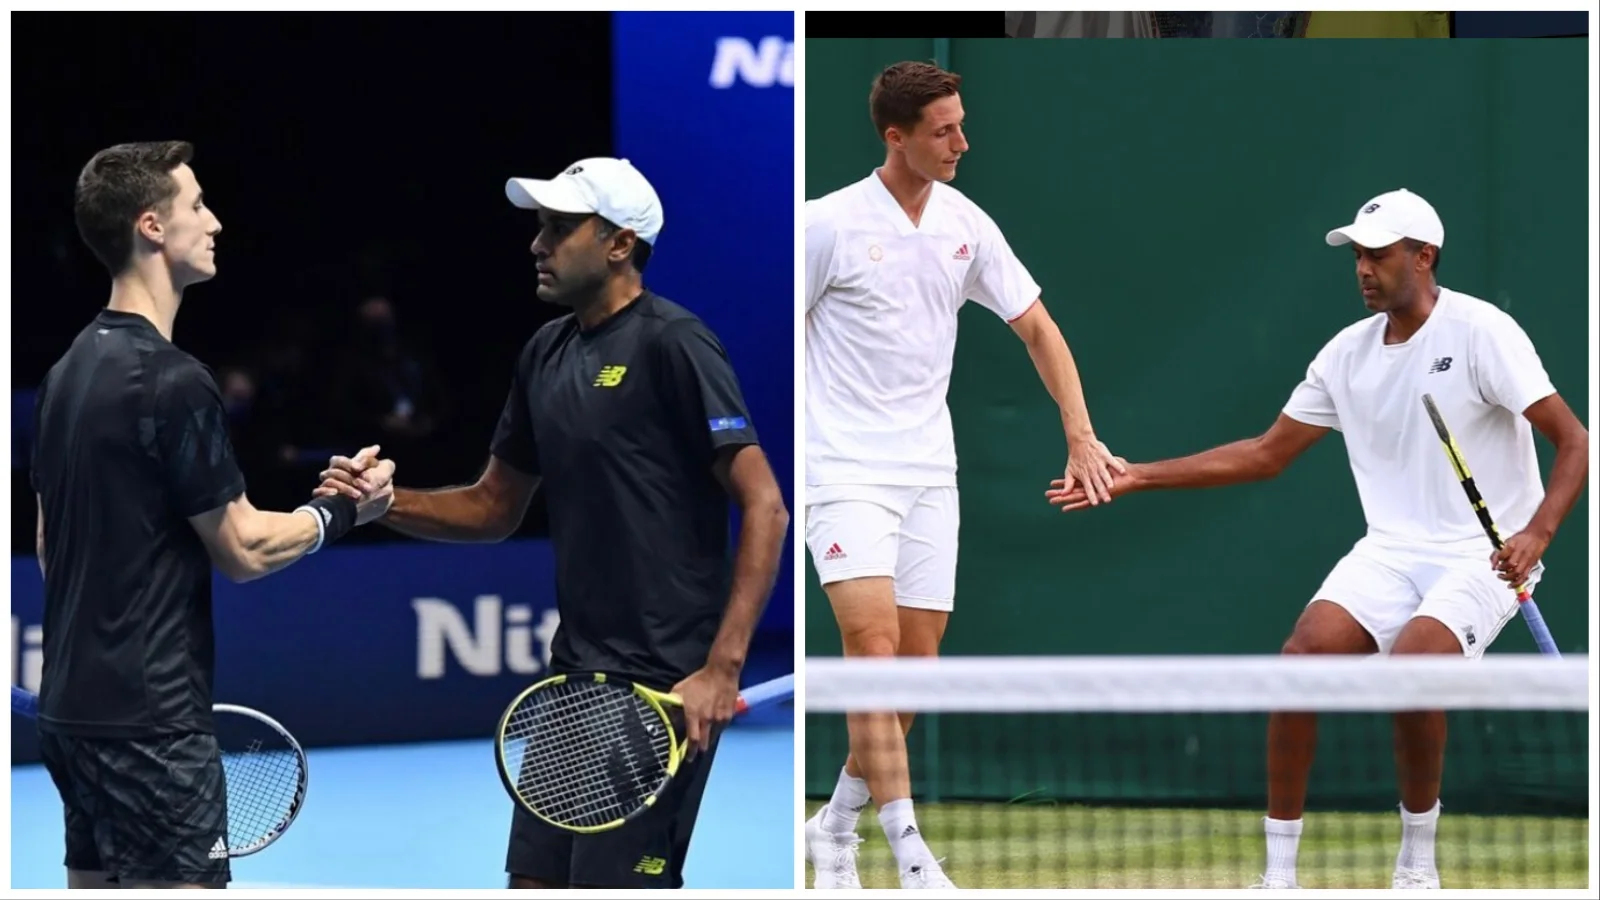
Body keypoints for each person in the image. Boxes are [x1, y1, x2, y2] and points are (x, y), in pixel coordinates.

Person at [1046, 188, 1590, 889]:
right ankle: (1279, 878)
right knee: (1299, 663)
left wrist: (1536, 532)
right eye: (1358, 256)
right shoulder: (1345, 354)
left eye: (1380, 255)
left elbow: (1574, 440)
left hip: (1482, 556)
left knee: (1416, 671)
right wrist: (1138, 476)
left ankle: (1417, 866)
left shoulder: (1483, 332)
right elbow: (1267, 453)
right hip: (1389, 550)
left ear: (1424, 258)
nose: (1364, 269)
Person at [317, 156, 791, 891]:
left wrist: (722, 668)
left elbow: (765, 505)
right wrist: (381, 503)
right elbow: (492, 507)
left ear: (619, 243)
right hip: (572, 683)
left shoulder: (676, 343)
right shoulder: (545, 353)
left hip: (661, 689)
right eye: (540, 227)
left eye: (560, 227)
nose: (538, 244)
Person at [29, 141, 394, 890]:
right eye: (197, 204)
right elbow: (244, 548)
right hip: (155, 730)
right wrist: (344, 510)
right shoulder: (173, 380)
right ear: (153, 227)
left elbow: (48, 546)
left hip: (70, 721)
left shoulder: (66, 372)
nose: (215, 221)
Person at [802, 61, 1123, 889]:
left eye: (962, 125)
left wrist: (1080, 437)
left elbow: (1039, 329)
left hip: (928, 474)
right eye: (943, 130)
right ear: (895, 135)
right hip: (843, 472)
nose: (961, 143)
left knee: (912, 672)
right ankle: (911, 856)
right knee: (870, 654)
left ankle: (834, 824)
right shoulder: (826, 225)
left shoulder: (966, 225)